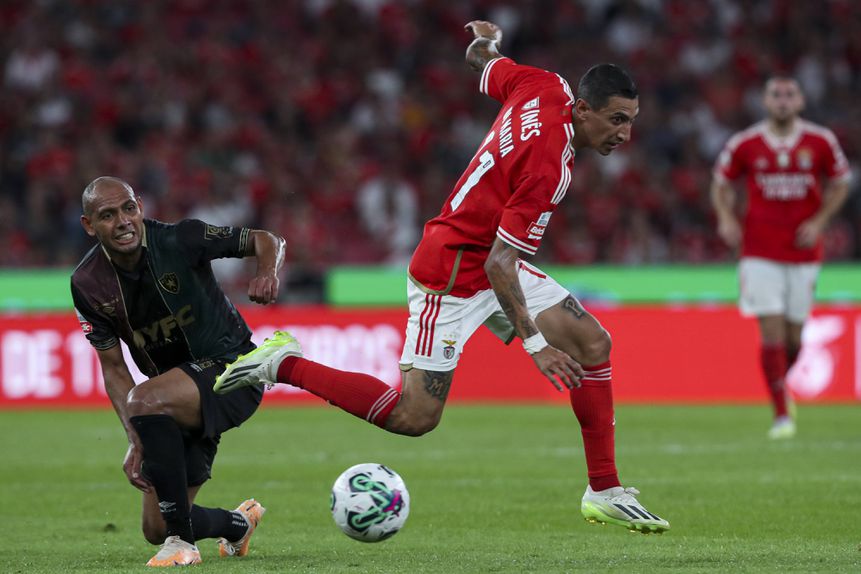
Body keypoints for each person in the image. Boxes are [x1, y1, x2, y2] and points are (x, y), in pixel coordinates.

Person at [216, 21, 669, 533]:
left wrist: (486, 41)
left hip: (489, 259)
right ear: (583, 109)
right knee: (414, 417)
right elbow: (500, 263)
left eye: (631, 121)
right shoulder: (549, 167)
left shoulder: (543, 84)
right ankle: (283, 363)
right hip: (452, 273)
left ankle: (604, 489)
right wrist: (537, 345)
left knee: (592, 342)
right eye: (616, 120)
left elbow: (482, 61)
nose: (624, 134)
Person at [71, 176, 285, 566]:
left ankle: (182, 546)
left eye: (129, 208)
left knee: (145, 400)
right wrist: (136, 437)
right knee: (157, 525)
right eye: (107, 215)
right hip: (174, 399)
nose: (123, 221)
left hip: (233, 367)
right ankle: (238, 525)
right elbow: (113, 367)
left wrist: (267, 271)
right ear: (89, 225)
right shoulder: (87, 284)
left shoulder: (181, 239)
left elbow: (265, 239)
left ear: (140, 207)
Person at [710, 77, 851, 439]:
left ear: (801, 101)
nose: (783, 100)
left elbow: (841, 182)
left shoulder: (820, 141)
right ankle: (781, 414)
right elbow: (721, 183)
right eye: (776, 94)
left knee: (794, 338)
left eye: (790, 94)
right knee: (771, 330)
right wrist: (726, 218)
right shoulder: (746, 143)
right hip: (759, 250)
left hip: (803, 252)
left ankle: (779, 388)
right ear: (765, 101)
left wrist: (819, 221)